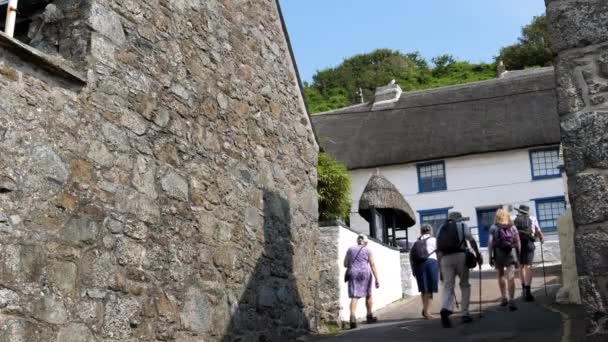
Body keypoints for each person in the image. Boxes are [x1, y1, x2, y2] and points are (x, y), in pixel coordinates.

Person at [436, 211, 482, 328]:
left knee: (448, 286)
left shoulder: (441, 228)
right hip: (461, 256)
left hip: (445, 259)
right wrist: (477, 254)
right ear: (459, 219)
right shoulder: (462, 226)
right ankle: (465, 314)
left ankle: (445, 309)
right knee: (464, 284)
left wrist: (440, 268)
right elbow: (471, 240)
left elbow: (438, 250)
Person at [343, 234, 380, 329]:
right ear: (366, 242)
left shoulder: (350, 249)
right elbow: (372, 264)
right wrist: (376, 278)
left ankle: (352, 316)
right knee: (368, 294)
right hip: (365, 273)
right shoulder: (368, 250)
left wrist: (353, 265)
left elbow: (345, 264)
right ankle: (369, 316)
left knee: (355, 296)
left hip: (353, 273)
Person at [488, 208, 521, 311]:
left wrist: (490, 256)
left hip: (499, 254)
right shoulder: (513, 227)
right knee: (511, 276)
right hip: (511, 253)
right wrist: (519, 255)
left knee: (500, 275)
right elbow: (518, 241)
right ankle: (512, 300)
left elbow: (490, 243)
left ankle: (504, 297)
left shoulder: (493, 227)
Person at [512, 204, 544, 302]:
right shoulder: (533, 219)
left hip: (518, 245)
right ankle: (528, 291)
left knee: (521, 266)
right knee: (528, 266)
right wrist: (541, 239)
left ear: (519, 211)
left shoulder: (514, 220)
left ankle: (523, 289)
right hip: (529, 244)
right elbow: (539, 232)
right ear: (527, 212)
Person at [409, 224, 439, 319]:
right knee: (429, 289)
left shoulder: (416, 242)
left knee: (423, 289)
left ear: (421, 231)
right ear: (430, 231)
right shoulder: (434, 240)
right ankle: (427, 312)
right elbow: (440, 253)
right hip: (431, 264)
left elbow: (411, 257)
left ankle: (425, 309)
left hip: (418, 265)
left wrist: (413, 269)